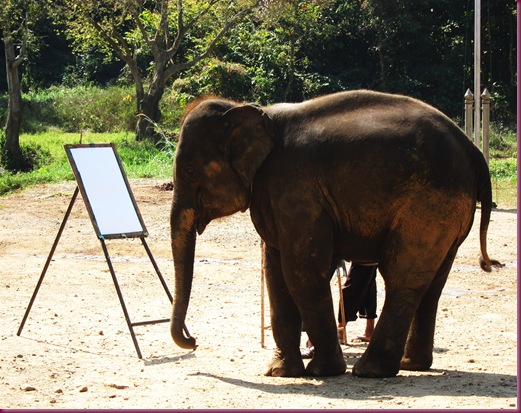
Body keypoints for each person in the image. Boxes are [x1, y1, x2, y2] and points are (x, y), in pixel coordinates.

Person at [302, 260, 378, 358]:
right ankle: (369, 331)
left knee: (349, 290)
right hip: (368, 257)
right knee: (368, 283)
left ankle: (337, 333)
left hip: (363, 255)